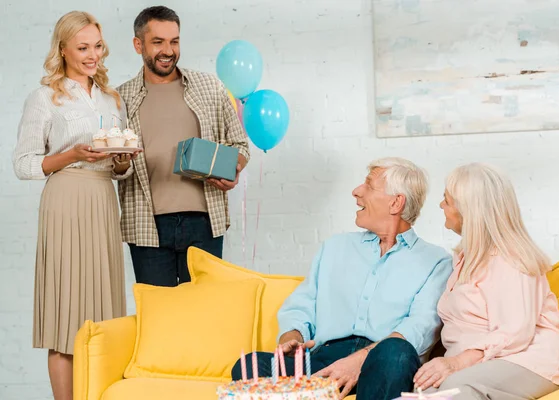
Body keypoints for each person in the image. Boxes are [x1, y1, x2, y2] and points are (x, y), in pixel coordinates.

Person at [231, 157, 453, 399]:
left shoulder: (435, 261)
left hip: (382, 363)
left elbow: (419, 328)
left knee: (396, 351)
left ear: (395, 202)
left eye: (368, 186)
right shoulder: (335, 247)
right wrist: (292, 336)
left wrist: (359, 361)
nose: (356, 192)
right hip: (323, 361)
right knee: (249, 365)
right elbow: (303, 304)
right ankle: (315, 389)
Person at [12, 11, 130, 400]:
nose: (92, 54)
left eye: (97, 46)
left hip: (101, 200)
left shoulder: (112, 98)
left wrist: (122, 162)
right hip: (64, 201)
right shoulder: (44, 97)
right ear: (62, 50)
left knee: (102, 317)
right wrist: (71, 154)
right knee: (65, 315)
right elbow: (25, 164)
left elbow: (119, 169)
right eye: (82, 47)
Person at [414, 162, 559, 399]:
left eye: (446, 200)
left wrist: (456, 363)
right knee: (422, 391)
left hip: (528, 360)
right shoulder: (465, 258)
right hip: (484, 364)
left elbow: (515, 332)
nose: (441, 206)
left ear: (469, 210)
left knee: (454, 389)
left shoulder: (510, 259)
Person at [116, 6, 250, 287]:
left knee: (204, 314)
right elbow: (115, 167)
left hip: (204, 222)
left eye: (174, 41)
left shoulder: (209, 87)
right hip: (146, 226)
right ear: (138, 44)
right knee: (159, 317)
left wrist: (232, 170)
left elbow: (240, 145)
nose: (168, 50)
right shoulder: (120, 99)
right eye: (158, 42)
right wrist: (119, 161)